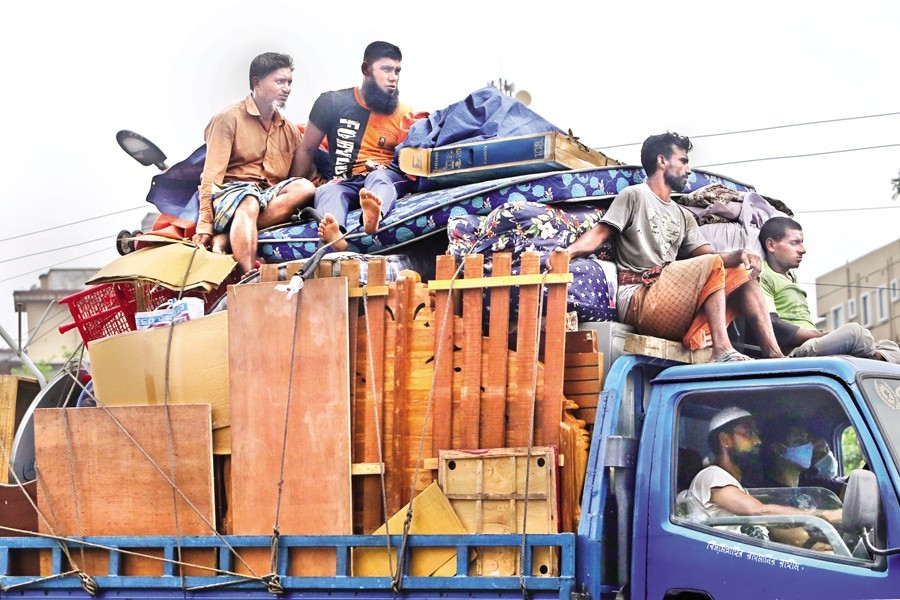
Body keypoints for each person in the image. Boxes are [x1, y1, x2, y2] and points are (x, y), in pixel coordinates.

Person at [564, 132, 784, 362]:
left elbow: (709, 256)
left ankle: (775, 355)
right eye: (683, 161)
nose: (688, 170)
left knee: (745, 274)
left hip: (672, 301)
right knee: (713, 264)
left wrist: (741, 255)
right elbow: (599, 233)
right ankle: (722, 349)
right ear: (662, 161)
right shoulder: (635, 196)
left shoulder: (683, 215)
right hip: (639, 297)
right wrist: (567, 254)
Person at [193, 52, 316, 274]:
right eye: (279, 81)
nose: (287, 88)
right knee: (248, 199)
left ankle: (231, 236)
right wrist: (205, 225)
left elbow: (309, 176)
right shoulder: (227, 119)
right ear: (256, 83)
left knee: (305, 187)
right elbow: (211, 177)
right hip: (230, 196)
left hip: (267, 197)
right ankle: (248, 274)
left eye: (289, 82)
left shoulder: (289, 130)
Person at [292, 41, 419, 251]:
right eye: (386, 69)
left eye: (397, 70)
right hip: (347, 181)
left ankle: (373, 215)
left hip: (384, 176)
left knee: (377, 178)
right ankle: (335, 235)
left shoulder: (405, 113)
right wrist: (293, 194)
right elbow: (306, 149)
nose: (393, 77)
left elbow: (408, 161)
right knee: (327, 190)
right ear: (366, 69)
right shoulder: (331, 103)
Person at [679, 407, 842, 549]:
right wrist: (824, 515)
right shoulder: (711, 475)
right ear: (725, 440)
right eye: (749, 433)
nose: (757, 441)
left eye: (756, 434)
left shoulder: (734, 484)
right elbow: (758, 511)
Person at [758, 217, 900, 362]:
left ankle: (865, 355)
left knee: (892, 348)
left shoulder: (790, 277)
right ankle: (869, 356)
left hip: (814, 342)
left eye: (802, 242)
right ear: (771, 245)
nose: (803, 250)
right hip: (794, 350)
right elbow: (772, 325)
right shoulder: (763, 275)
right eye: (794, 243)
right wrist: (819, 335)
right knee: (854, 332)